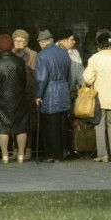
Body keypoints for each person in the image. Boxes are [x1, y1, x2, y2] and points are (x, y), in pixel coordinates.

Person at [83, 30, 111, 162]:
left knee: (100, 125)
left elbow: (87, 78)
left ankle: (102, 154)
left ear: (98, 45)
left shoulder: (94, 58)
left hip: (100, 98)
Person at [0, 34, 29, 164]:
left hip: (1, 98)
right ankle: (21, 155)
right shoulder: (20, 61)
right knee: (21, 126)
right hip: (19, 97)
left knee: (2, 127)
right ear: (11, 45)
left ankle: (5, 155)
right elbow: (24, 80)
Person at [35, 29, 71, 162]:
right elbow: (68, 74)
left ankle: (52, 154)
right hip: (63, 91)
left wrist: (38, 94)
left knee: (50, 126)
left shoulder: (42, 55)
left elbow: (41, 78)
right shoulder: (64, 53)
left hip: (49, 94)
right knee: (61, 125)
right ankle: (61, 153)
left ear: (42, 42)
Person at [56, 28, 84, 158]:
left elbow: (79, 72)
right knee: (58, 123)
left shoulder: (74, 53)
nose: (74, 42)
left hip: (71, 93)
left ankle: (69, 149)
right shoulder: (53, 51)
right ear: (63, 40)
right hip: (57, 95)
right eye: (72, 39)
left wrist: (83, 87)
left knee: (69, 123)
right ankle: (59, 150)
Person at [12, 29, 37, 160]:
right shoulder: (10, 54)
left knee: (28, 123)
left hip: (29, 93)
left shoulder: (33, 55)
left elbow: (36, 76)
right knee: (15, 122)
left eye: (21, 41)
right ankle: (16, 149)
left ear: (26, 42)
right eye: (16, 40)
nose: (18, 43)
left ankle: (28, 149)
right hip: (14, 95)